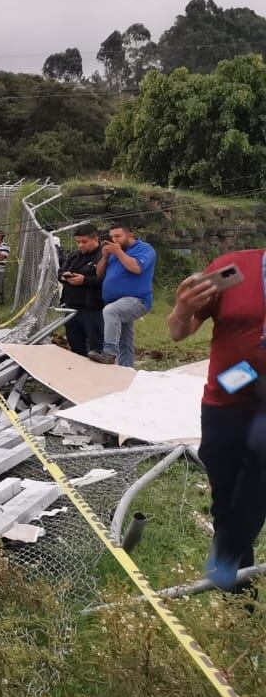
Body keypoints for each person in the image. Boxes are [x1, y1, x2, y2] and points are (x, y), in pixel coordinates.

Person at [167, 247, 266, 590]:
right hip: (225, 402)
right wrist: (183, 308)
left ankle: (226, 563)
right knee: (226, 499)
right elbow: (179, 331)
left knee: (257, 481)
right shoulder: (231, 268)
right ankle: (238, 596)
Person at [89, 221, 157, 368]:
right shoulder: (113, 252)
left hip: (138, 300)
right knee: (125, 341)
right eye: (112, 236)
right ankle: (126, 370)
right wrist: (105, 257)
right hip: (116, 300)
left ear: (130, 235)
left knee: (111, 311)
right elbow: (99, 273)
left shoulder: (144, 249)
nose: (114, 240)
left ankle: (109, 353)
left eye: (118, 236)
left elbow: (137, 268)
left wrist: (118, 252)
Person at [57, 224, 104, 356]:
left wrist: (85, 280)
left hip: (92, 307)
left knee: (97, 347)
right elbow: (60, 273)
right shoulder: (74, 256)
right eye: (78, 242)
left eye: (84, 242)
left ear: (95, 239)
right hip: (71, 307)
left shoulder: (103, 257)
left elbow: (106, 281)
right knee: (75, 345)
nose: (80, 245)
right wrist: (65, 277)